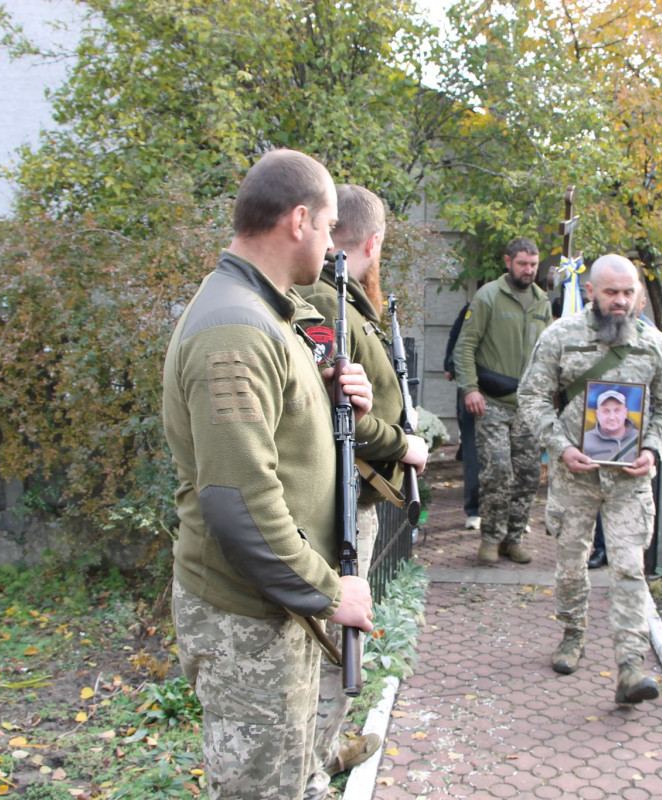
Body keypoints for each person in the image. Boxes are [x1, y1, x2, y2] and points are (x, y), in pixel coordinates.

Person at [162, 149, 376, 800]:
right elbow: (238, 504)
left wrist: (328, 388)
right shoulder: (236, 329)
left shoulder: (265, 315)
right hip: (247, 621)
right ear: (300, 220)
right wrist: (330, 591)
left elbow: (273, 438)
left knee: (295, 774)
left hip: (274, 608)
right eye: (329, 226)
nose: (335, 246)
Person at [296, 184, 428, 782]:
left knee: (333, 642)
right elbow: (335, 415)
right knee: (334, 647)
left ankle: (322, 753)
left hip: (344, 497)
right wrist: (406, 446)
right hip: (337, 506)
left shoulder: (340, 299)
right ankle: (314, 772)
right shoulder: (329, 305)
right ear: (372, 241)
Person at [518, 254, 662, 704]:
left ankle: (631, 666)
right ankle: (572, 635)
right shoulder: (561, 337)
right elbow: (532, 397)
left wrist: (653, 448)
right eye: (611, 292)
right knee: (571, 564)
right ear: (591, 291)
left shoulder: (655, 345)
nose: (621, 300)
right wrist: (561, 447)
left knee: (630, 569)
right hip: (576, 476)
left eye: (629, 291)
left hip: (630, 481)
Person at [453, 237, 552, 565]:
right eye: (523, 263)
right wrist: (470, 388)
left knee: (526, 475)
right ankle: (490, 539)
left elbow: (549, 353)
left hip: (528, 405)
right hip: (492, 402)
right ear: (508, 262)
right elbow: (465, 346)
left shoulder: (542, 302)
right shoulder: (488, 297)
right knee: (497, 469)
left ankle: (514, 537)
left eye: (534, 264)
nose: (529, 270)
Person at [444, 302, 481, 529]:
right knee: (472, 451)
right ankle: (474, 509)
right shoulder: (473, 307)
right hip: (473, 387)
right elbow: (456, 337)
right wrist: (450, 363)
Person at [582, 389, 639, 462]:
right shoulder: (586, 440)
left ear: (625, 413)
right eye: (606, 411)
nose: (612, 417)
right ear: (598, 415)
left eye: (617, 410)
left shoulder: (640, 437)